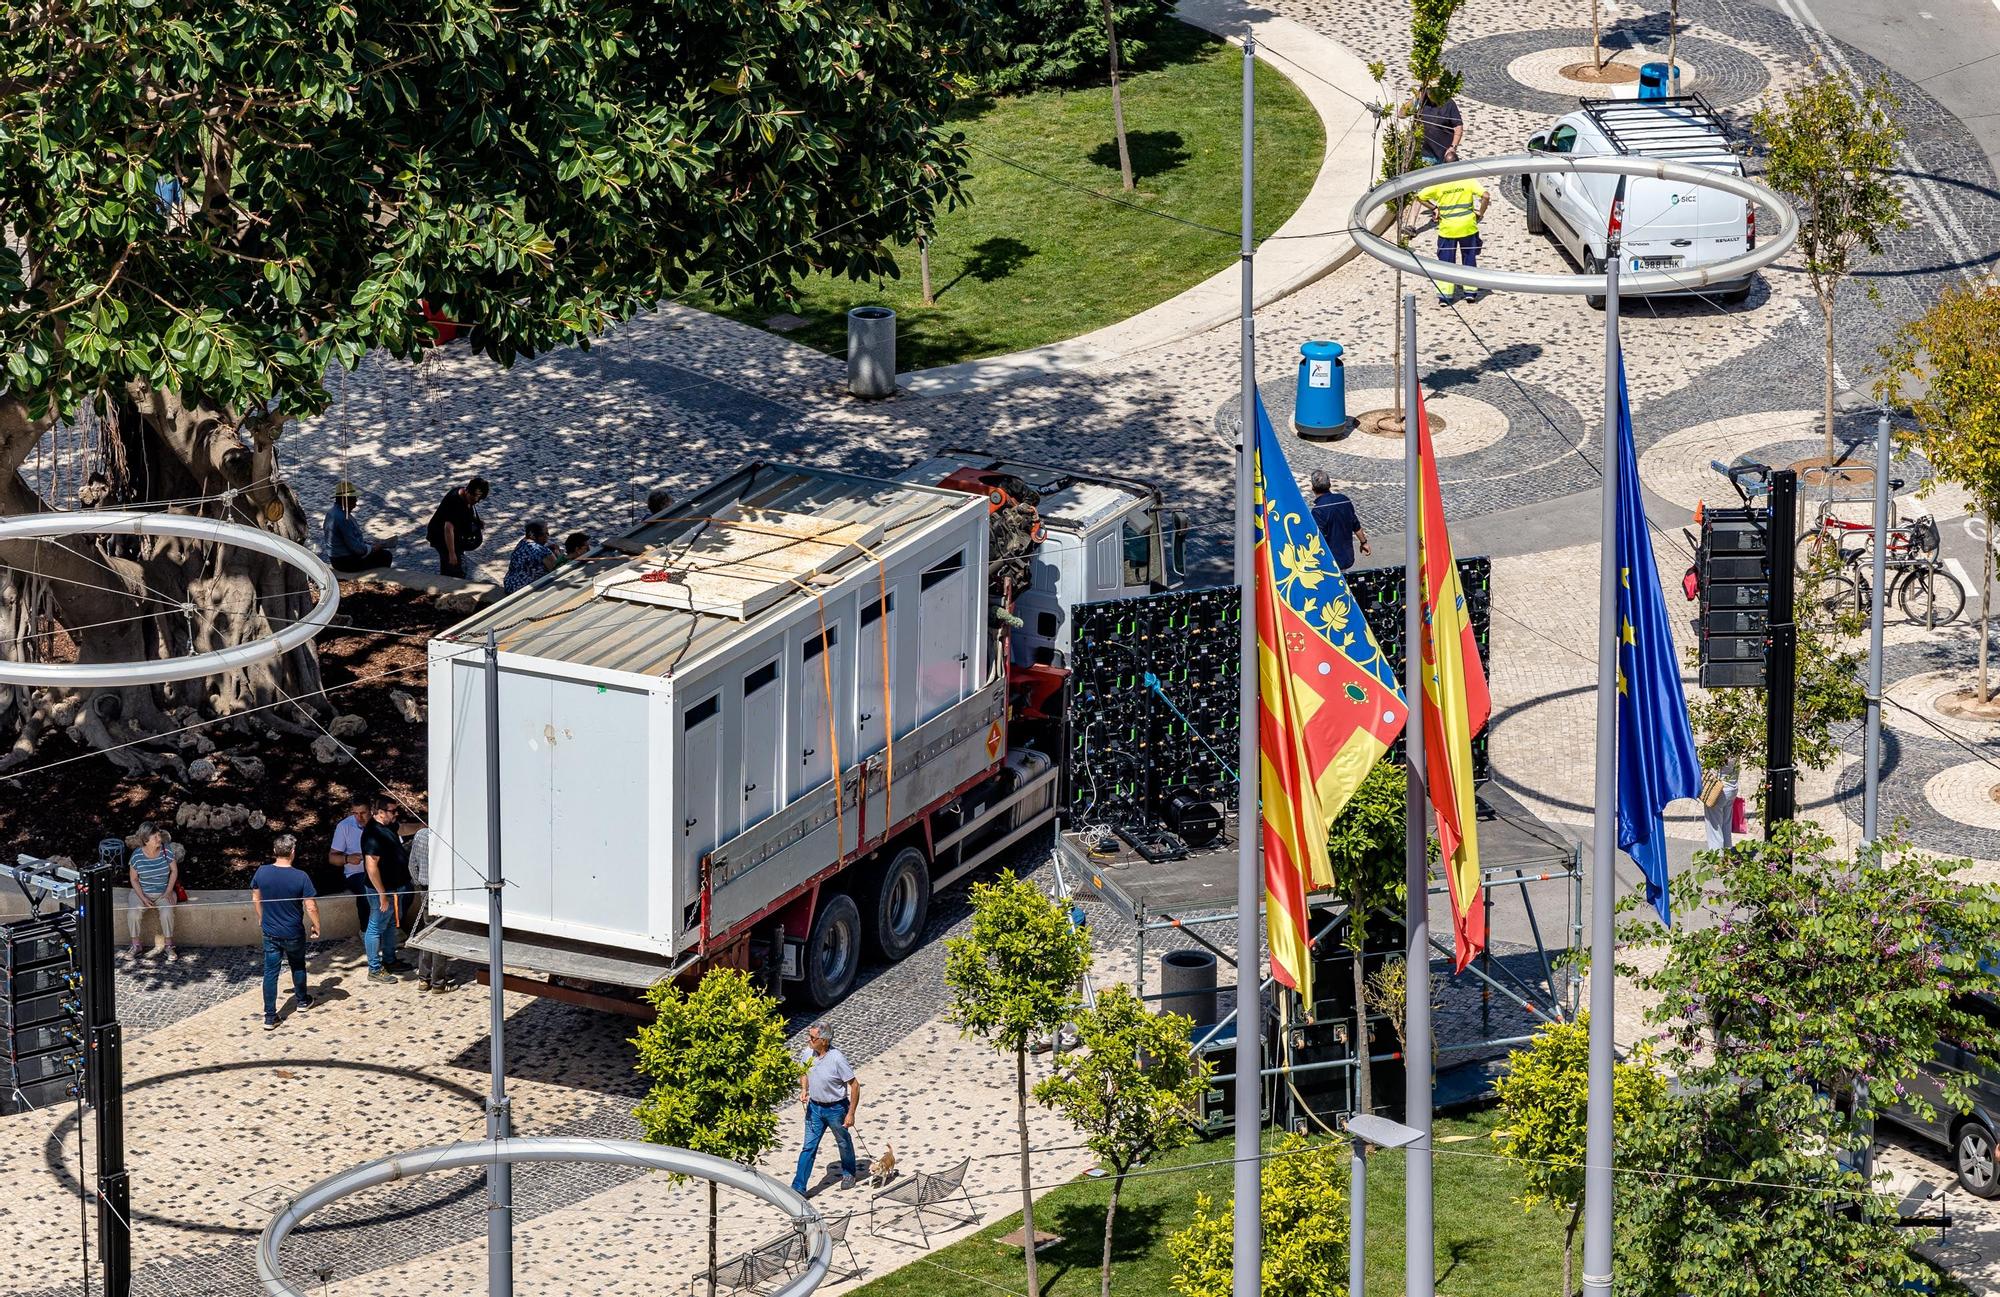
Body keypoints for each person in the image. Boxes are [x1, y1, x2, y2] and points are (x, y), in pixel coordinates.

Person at [251, 834, 320, 1030]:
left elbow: (256, 898)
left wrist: (261, 918)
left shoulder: (262, 872)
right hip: (293, 932)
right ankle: (302, 1001)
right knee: (297, 965)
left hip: (270, 932)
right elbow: (311, 906)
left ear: (274, 851)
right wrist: (316, 925)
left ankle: (270, 1017)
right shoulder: (301, 876)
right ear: (292, 852)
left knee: (270, 973)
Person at [791, 1024, 860, 1194]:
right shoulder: (808, 1053)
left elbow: (855, 1085)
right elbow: (804, 1072)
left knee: (843, 1142)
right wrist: (804, 1090)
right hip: (814, 1108)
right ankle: (798, 1188)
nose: (809, 1040)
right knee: (808, 1146)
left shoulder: (837, 1059)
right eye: (809, 1036)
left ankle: (849, 1173)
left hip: (836, 1108)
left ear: (824, 1041)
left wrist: (850, 1114)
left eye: (813, 1038)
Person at [1414, 170, 1489, 305]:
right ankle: (1470, 292)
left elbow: (1419, 197)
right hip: (1468, 227)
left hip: (1447, 230)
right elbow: (1486, 196)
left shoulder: (1439, 183)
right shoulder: (1468, 180)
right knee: (1469, 258)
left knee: (1446, 262)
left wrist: (1435, 208)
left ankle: (1446, 296)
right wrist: (1481, 213)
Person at [359, 796, 413, 982]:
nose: (396, 814)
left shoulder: (389, 825)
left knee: (390, 924)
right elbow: (371, 866)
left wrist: (422, 827)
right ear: (380, 812)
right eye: (392, 811)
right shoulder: (373, 834)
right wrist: (382, 894)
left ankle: (390, 959)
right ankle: (374, 968)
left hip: (393, 887)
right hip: (380, 890)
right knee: (375, 927)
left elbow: (403, 829)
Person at [406, 828, 458, 993]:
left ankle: (423, 979)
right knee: (440, 936)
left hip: (425, 888)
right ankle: (438, 983)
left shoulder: (420, 834)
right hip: (445, 889)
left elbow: (412, 864)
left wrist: (419, 883)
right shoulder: (450, 834)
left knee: (427, 932)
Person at [126, 822, 179, 961]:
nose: (158, 839)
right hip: (142, 892)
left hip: (163, 892)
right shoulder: (137, 856)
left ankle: (169, 946)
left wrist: (168, 891)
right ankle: (136, 945)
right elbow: (134, 879)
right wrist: (143, 898)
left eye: (158, 835)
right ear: (145, 840)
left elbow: (174, 871)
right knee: (133, 913)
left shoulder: (166, 851)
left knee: (167, 913)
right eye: (154, 837)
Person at [426, 476, 489, 578]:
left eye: (478, 500)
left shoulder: (467, 497)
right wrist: (452, 553)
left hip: (456, 538)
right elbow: (448, 529)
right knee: (451, 567)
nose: (475, 502)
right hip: (441, 538)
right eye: (474, 499)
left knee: (454, 565)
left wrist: (477, 521)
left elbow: (468, 510)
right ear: (468, 491)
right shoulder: (455, 501)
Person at [324, 482, 393, 573]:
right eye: (354, 499)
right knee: (385, 556)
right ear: (346, 500)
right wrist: (372, 548)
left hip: (336, 558)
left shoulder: (332, 512)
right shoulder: (343, 518)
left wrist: (368, 544)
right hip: (345, 562)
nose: (356, 502)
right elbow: (357, 549)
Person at [1308, 469, 1370, 570]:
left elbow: (1318, 539)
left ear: (1313, 488)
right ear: (1330, 484)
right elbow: (1356, 525)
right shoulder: (1344, 500)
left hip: (1331, 562)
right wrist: (1364, 543)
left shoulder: (1318, 510)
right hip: (1347, 557)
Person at [328, 793, 372, 931]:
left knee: (404, 889)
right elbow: (332, 858)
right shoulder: (344, 826)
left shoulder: (380, 822)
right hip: (357, 873)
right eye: (355, 813)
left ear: (371, 811)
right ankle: (365, 930)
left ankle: (396, 925)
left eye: (363, 813)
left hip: (381, 870)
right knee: (365, 891)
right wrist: (348, 858)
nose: (359, 817)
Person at [502, 521, 558, 595]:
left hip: (510, 585)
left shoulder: (522, 542)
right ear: (534, 536)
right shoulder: (543, 551)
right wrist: (557, 553)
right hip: (525, 591)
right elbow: (557, 570)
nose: (548, 536)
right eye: (546, 534)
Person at [1412, 88, 1464, 165]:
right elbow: (1401, 114)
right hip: (1426, 154)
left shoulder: (1449, 103)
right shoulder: (1422, 102)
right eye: (1428, 91)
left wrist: (1453, 147)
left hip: (1444, 154)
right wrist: (1416, 98)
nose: (1430, 93)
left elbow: (1458, 127)